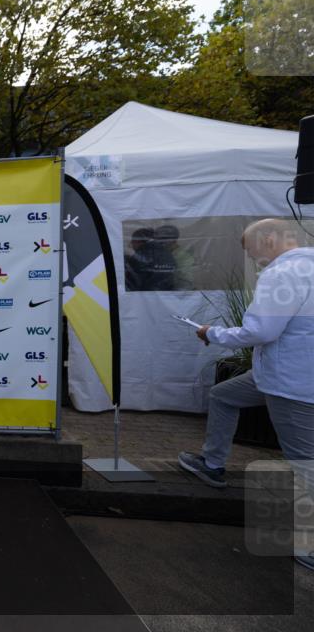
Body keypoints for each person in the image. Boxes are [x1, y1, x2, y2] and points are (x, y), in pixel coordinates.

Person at [177, 219, 313, 571]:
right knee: (224, 395)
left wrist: (212, 333)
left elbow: (261, 330)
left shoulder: (280, 274)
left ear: (268, 240)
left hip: (291, 384)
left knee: (304, 461)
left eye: (250, 249)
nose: (251, 258)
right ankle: (212, 463)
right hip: (283, 373)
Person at [124, 227, 175, 291]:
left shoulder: (139, 256)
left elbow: (130, 282)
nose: (131, 245)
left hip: (144, 296)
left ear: (137, 241)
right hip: (167, 295)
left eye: (132, 242)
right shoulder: (167, 253)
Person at [155, 224, 195, 290]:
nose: (160, 242)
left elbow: (185, 282)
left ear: (174, 240)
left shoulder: (183, 256)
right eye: (157, 239)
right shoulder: (163, 253)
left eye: (163, 239)